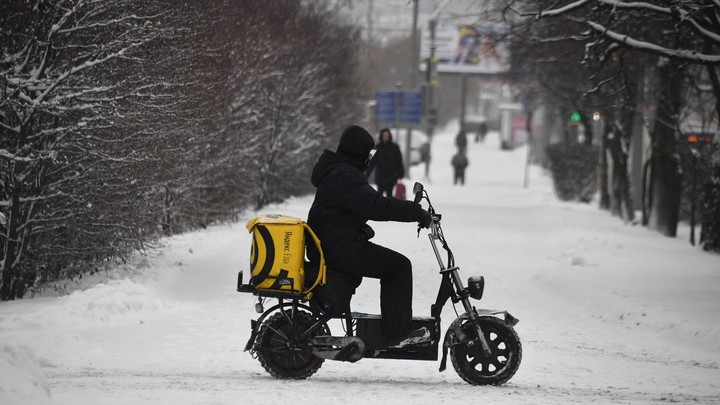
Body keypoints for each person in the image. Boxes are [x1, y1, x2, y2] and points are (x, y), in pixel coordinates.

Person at [306, 125, 433, 348]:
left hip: (333, 245)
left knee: (393, 264)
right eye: (368, 152)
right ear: (358, 151)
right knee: (398, 267)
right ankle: (398, 333)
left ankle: (395, 330)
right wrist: (415, 212)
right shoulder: (345, 175)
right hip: (339, 248)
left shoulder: (338, 171)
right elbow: (376, 206)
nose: (369, 158)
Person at [366, 128, 404, 198]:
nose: (385, 137)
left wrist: (401, 173)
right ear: (381, 136)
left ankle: (388, 208)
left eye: (387, 136)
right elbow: (371, 162)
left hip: (391, 177)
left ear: (390, 136)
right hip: (380, 176)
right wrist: (367, 174)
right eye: (384, 136)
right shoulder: (375, 148)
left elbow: (399, 161)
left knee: (389, 196)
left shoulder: (395, 148)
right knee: (379, 196)